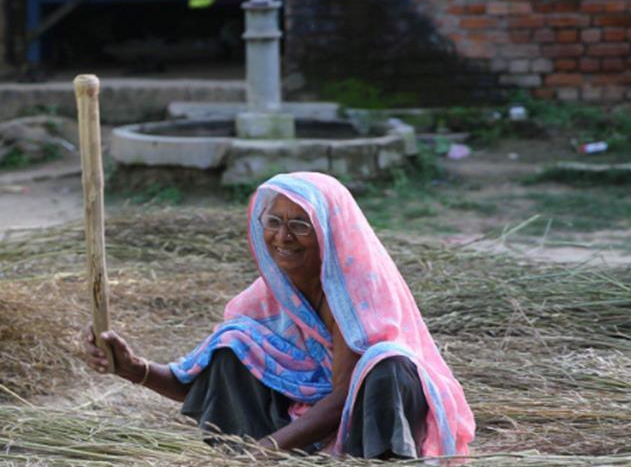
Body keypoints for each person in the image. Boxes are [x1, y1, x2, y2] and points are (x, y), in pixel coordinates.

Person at [82, 172, 474, 458]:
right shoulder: (267, 298)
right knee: (234, 345)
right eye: (274, 222)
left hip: (364, 432)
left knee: (386, 363)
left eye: (300, 225)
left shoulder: (362, 293)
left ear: (328, 232)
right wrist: (134, 369)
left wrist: (265, 451)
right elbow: (202, 382)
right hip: (288, 442)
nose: (283, 237)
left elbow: (343, 397)